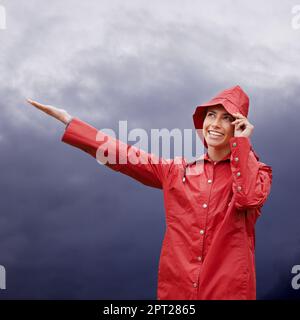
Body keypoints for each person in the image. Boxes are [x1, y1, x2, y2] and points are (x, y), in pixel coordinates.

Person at [26, 85, 273, 300]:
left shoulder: (258, 173)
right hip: (178, 290)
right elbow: (124, 155)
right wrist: (71, 122)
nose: (216, 124)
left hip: (227, 291)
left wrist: (242, 144)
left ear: (239, 126)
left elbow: (247, 197)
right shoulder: (177, 171)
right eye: (211, 115)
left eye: (227, 118)